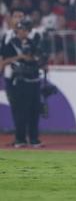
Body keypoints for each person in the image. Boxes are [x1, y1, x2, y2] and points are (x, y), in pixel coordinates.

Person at [0, 18, 44, 148]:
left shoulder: (32, 43)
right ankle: (20, 138)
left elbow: (38, 57)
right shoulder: (10, 43)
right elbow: (4, 61)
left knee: (34, 110)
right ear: (18, 30)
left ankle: (34, 138)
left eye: (26, 30)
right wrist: (20, 57)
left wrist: (37, 60)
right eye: (22, 29)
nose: (25, 32)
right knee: (20, 111)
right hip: (18, 80)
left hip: (33, 78)